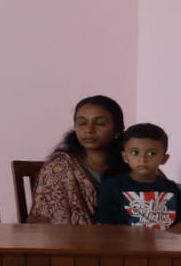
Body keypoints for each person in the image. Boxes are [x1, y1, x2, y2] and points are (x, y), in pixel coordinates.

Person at [28, 95, 126, 225]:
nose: (89, 130)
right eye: (82, 123)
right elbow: (51, 223)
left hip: (125, 237)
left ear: (117, 130)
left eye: (100, 123)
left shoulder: (133, 165)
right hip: (70, 237)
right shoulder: (59, 168)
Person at [93, 123, 179, 228]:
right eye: (135, 152)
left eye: (151, 153)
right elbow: (103, 226)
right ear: (125, 157)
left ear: (164, 158)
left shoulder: (172, 188)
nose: (142, 159)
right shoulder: (112, 187)